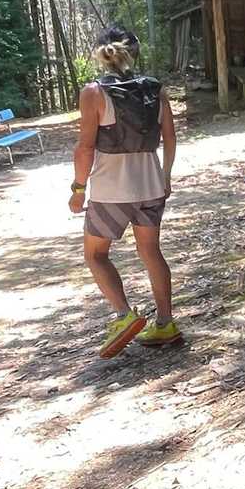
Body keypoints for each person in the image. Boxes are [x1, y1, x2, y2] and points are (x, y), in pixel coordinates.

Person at [69, 27, 181, 357]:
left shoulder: (94, 92)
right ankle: (165, 323)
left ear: (100, 54)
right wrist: (165, 175)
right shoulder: (155, 89)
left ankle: (123, 315)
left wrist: (78, 188)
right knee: (151, 252)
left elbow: (85, 148)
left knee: (95, 255)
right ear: (134, 52)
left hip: (111, 190)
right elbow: (170, 137)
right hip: (150, 185)